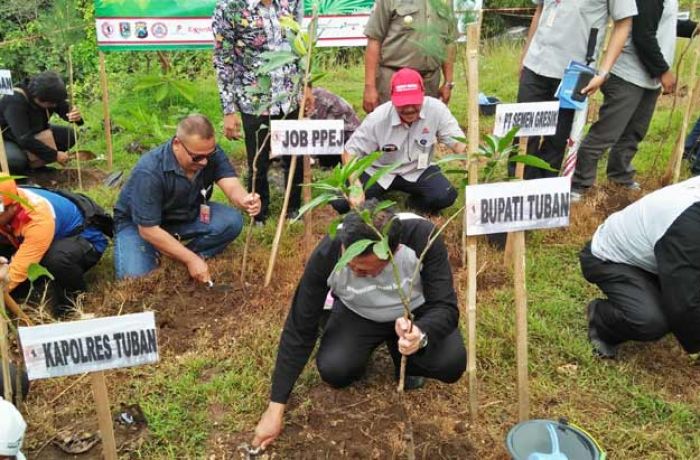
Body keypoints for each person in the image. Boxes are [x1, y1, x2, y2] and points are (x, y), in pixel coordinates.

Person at [251, 202, 466, 450]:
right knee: (336, 369)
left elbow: (445, 307)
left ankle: (404, 354)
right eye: (349, 264)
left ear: (391, 254)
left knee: (450, 363)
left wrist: (420, 332)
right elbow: (300, 325)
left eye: (363, 270)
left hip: (415, 314)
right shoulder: (330, 251)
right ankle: (364, 341)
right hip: (359, 312)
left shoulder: (423, 237)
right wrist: (275, 407)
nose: (354, 270)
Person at [571, 1, 698, 199]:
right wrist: (663, 71)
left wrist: (694, 28)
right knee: (605, 134)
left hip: (648, 78)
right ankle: (579, 185)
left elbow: (665, 23)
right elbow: (642, 35)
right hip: (628, 75)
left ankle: (620, 176)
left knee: (634, 132)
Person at [113, 115, 260, 282]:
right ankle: (173, 252)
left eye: (208, 155)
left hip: (184, 213)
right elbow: (148, 229)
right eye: (197, 157)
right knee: (135, 279)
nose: (204, 162)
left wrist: (245, 199)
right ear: (177, 144)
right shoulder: (149, 171)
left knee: (231, 221)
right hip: (139, 225)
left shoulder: (209, 153)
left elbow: (231, 185)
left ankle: (175, 253)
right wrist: (192, 260)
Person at [580, 176, 700, 359]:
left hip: (660, 256)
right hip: (615, 260)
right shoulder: (687, 223)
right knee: (651, 320)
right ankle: (601, 318)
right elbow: (683, 301)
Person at [517, 0, 637, 179]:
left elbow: (624, 23)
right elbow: (540, 9)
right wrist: (525, 55)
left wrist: (603, 72)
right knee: (523, 134)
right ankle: (518, 189)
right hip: (536, 63)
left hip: (574, 73)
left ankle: (542, 191)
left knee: (556, 139)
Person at [213, 0, 304, 224]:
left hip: (289, 96)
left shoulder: (291, 2)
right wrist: (229, 110)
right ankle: (259, 213)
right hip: (254, 100)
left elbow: (299, 47)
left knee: (295, 156)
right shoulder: (229, 7)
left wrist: (305, 86)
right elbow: (224, 60)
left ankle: (293, 208)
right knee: (258, 160)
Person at [334, 68, 465, 215]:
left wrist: (469, 154)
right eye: (403, 104)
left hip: (418, 169)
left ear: (423, 95)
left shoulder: (436, 110)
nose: (409, 109)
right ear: (392, 98)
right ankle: (376, 197)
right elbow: (349, 152)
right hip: (380, 171)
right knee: (340, 201)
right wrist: (355, 186)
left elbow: (458, 143)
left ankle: (414, 204)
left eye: (414, 103)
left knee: (445, 195)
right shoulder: (378, 118)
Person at [0, 179, 110, 317]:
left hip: (83, 239)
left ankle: (70, 307)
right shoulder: (7, 203)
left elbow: (16, 272)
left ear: (14, 207)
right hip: (34, 238)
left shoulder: (38, 220)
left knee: (57, 260)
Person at [362, 0, 456, 113]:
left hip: (429, 81)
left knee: (426, 126)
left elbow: (449, 42)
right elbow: (374, 40)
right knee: (391, 126)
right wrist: (370, 87)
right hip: (394, 79)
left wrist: (448, 83)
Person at [0, 71, 82, 174]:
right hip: (8, 138)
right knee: (15, 161)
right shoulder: (14, 100)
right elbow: (24, 138)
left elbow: (65, 110)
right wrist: (54, 155)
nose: (53, 106)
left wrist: (76, 117)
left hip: (35, 132)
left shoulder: (51, 95)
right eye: (50, 104)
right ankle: (23, 171)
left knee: (70, 135)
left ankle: (36, 166)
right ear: (37, 98)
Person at [303, 85, 361, 169]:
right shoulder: (310, 95)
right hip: (336, 137)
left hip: (348, 142)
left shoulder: (312, 100)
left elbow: (311, 132)